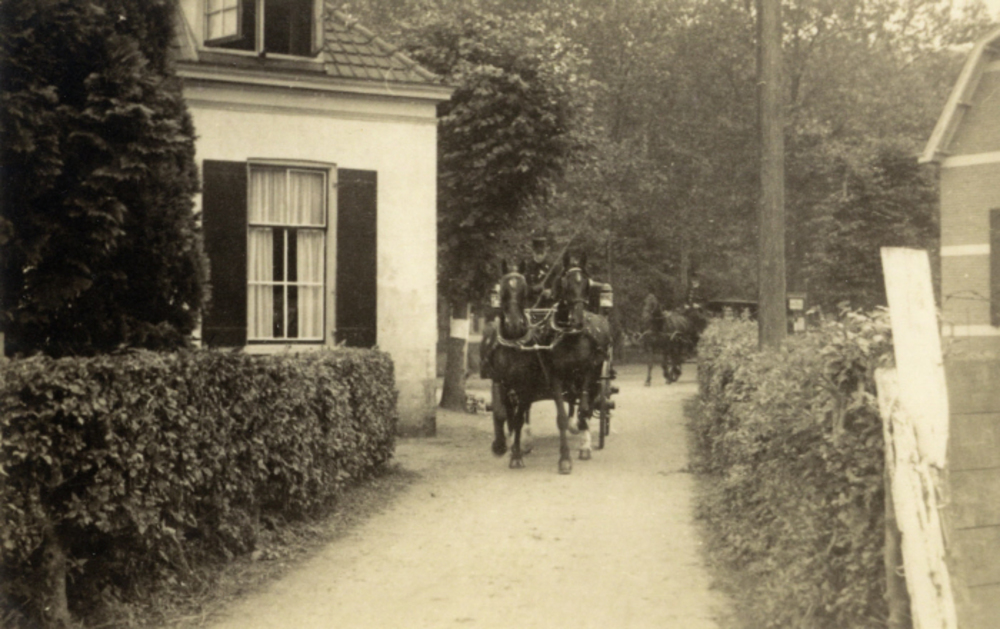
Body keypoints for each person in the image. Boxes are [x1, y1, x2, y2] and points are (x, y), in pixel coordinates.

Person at [523, 231, 556, 307]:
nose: (539, 256)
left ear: (545, 252)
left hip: (549, 305)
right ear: (533, 252)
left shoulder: (552, 266)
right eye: (537, 253)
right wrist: (533, 289)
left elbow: (557, 285)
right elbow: (523, 287)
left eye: (542, 253)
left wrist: (551, 291)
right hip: (531, 304)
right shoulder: (527, 267)